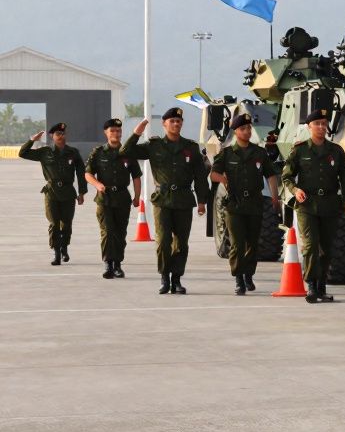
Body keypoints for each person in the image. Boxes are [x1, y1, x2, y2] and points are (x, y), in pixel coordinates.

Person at [122, 108, 209, 294]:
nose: (176, 124)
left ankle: (176, 279)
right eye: (172, 121)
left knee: (181, 243)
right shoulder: (154, 145)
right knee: (162, 241)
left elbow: (200, 176)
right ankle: (164, 277)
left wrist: (202, 201)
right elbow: (125, 151)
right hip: (162, 200)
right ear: (164, 124)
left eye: (179, 121)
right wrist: (136, 133)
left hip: (184, 200)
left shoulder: (191, 147)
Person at [282, 108, 345, 303]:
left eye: (324, 123)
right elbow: (286, 176)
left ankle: (321, 287)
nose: (321, 127)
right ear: (309, 126)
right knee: (310, 246)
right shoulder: (300, 150)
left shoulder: (336, 151)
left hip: (330, 204)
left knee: (327, 248)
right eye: (317, 124)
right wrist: (295, 190)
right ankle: (311, 286)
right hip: (307, 205)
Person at [210, 112, 280, 295]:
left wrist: (275, 197)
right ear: (236, 131)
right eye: (243, 128)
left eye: (249, 128)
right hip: (234, 204)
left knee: (253, 244)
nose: (247, 131)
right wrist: (223, 179)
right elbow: (213, 174)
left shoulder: (259, 153)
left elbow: (271, 175)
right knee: (237, 244)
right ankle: (239, 278)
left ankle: (248, 274)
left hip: (255, 204)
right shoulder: (227, 153)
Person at [19, 122, 86, 266]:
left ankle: (64, 248)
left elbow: (81, 173)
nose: (61, 136)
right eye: (58, 134)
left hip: (68, 192)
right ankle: (56, 253)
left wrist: (82, 192)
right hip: (52, 192)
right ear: (52, 136)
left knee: (66, 224)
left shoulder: (73, 152)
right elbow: (22, 153)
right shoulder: (45, 152)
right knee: (54, 223)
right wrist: (32, 140)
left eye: (63, 134)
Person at [85, 118, 143, 279]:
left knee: (120, 232)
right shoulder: (98, 152)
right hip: (104, 198)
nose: (116, 133)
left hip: (123, 198)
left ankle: (117, 264)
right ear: (106, 133)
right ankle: (108, 263)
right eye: (112, 131)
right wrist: (97, 184)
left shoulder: (127, 152)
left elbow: (136, 176)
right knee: (107, 231)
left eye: (118, 131)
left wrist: (137, 197)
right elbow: (88, 173)